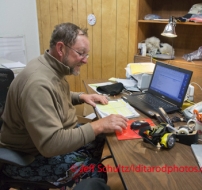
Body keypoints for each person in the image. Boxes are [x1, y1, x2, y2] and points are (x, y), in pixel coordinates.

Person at [0, 23, 128, 189]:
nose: (85, 60)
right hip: (27, 157)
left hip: (44, 142)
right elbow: (50, 144)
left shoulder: (48, 66)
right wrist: (98, 125)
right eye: (81, 53)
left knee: (99, 137)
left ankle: (77, 168)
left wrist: (81, 96)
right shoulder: (37, 84)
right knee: (95, 171)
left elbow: (53, 95)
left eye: (86, 54)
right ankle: (79, 176)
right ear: (61, 48)